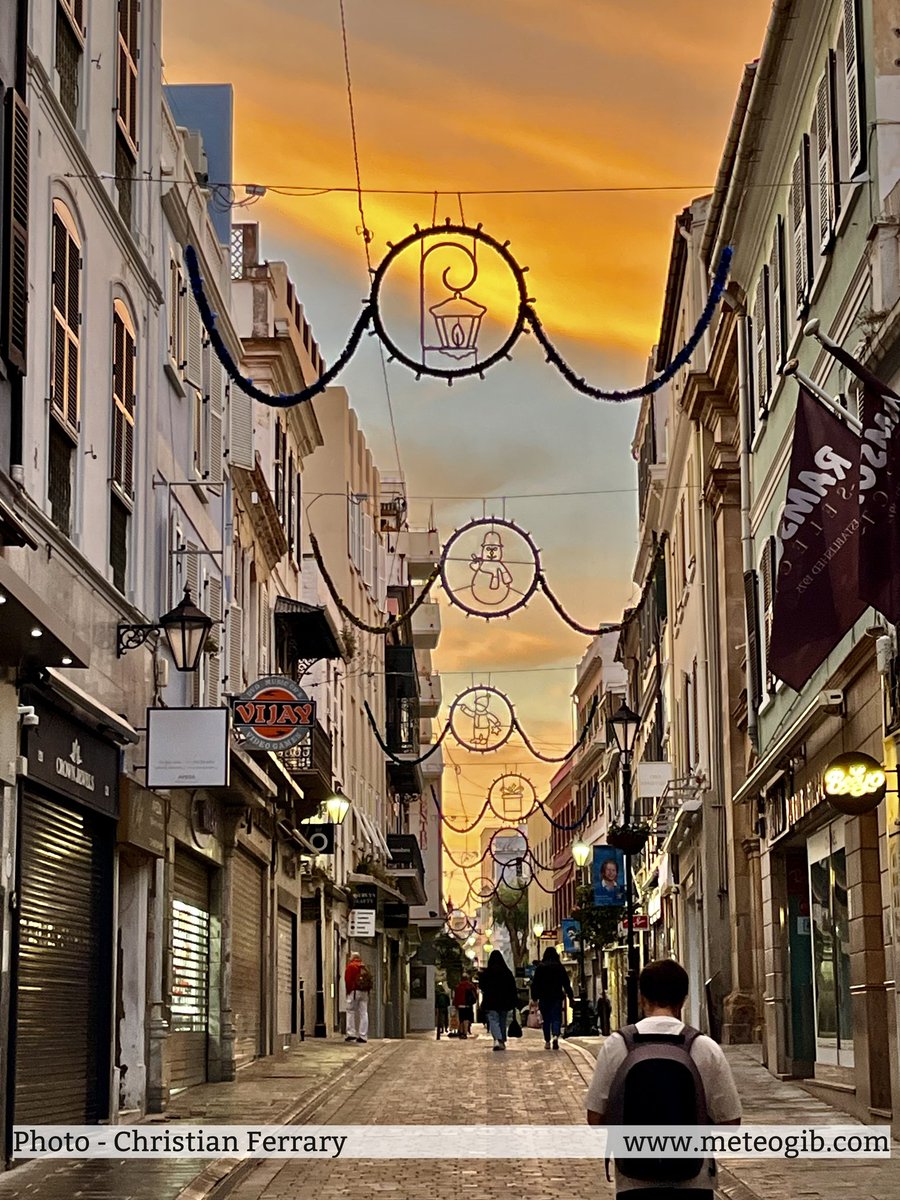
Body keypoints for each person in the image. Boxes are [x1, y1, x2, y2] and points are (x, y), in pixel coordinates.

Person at [585, 959, 741, 1199]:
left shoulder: (617, 1045)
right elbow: (731, 1121)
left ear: (642, 998)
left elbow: (595, 1117)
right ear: (683, 999)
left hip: (633, 1181)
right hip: (694, 1180)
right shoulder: (704, 1047)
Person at [530, 945, 574, 1050]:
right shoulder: (559, 967)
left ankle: (547, 1041)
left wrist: (534, 997)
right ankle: (555, 1035)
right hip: (556, 997)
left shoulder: (540, 967)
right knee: (556, 1017)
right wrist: (570, 995)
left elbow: (535, 984)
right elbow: (566, 983)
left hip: (544, 997)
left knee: (546, 1019)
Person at [479, 949, 519, 1051]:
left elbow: (482, 986)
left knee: (493, 1020)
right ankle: (501, 1040)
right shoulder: (507, 972)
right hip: (504, 1002)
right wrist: (514, 1000)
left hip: (490, 1001)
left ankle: (497, 1039)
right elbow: (512, 988)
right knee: (502, 1021)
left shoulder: (487, 973)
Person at [344, 952, 373, 1043]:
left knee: (350, 1011)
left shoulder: (351, 966)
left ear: (352, 958)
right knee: (364, 1013)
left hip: (354, 991)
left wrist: (348, 991)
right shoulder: (363, 966)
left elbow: (348, 980)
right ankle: (363, 1035)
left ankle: (351, 1033)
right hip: (364, 992)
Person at [453, 974, 478, 1039]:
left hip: (460, 1006)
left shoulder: (458, 986)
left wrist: (455, 1005)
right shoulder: (470, 985)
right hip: (468, 1005)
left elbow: (455, 997)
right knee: (466, 1019)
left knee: (461, 1019)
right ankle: (465, 1033)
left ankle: (461, 1032)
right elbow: (475, 995)